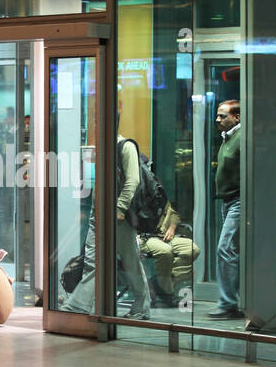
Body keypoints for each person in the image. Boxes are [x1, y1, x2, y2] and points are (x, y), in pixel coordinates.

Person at [64, 124, 152, 319]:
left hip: (119, 215)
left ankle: (142, 306)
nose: (94, 131)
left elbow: (133, 180)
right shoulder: (102, 149)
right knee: (93, 261)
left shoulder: (125, 146)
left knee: (130, 261)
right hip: (100, 213)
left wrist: (120, 208)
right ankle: (78, 306)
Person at [209, 99, 242, 320]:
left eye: (223, 116)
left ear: (237, 117)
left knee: (225, 248)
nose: (218, 119)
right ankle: (234, 300)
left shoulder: (242, 138)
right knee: (232, 250)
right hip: (227, 201)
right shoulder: (227, 138)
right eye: (218, 115)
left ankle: (228, 303)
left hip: (240, 200)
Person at [139, 201, 200, 308]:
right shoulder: (133, 195)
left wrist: (172, 228)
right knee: (165, 251)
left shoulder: (157, 194)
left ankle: (161, 282)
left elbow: (173, 214)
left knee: (192, 249)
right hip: (143, 237)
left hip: (162, 236)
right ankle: (167, 293)